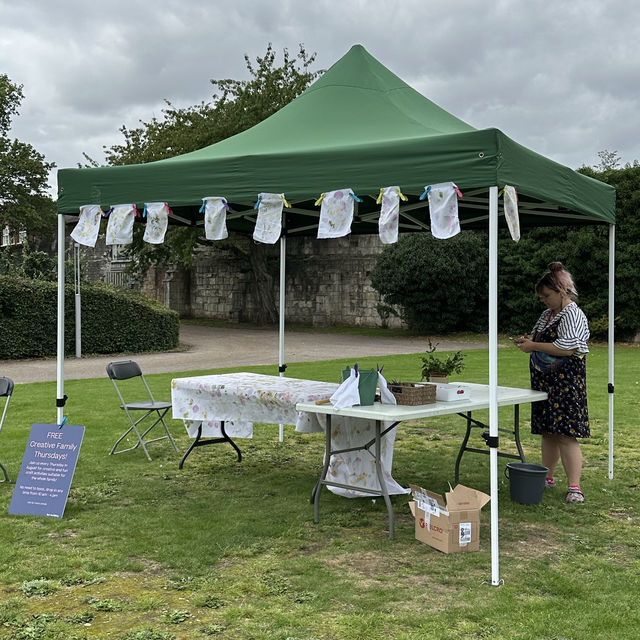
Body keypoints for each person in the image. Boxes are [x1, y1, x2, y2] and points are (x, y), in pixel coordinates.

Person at [514, 262, 590, 504]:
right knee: (548, 431)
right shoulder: (547, 315)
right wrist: (527, 340)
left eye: (547, 295)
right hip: (545, 381)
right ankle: (546, 477)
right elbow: (538, 337)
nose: (544, 300)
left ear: (561, 291)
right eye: (541, 297)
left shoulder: (573, 314)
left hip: (566, 382)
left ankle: (575, 487)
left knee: (566, 433)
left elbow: (566, 348)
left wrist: (533, 346)